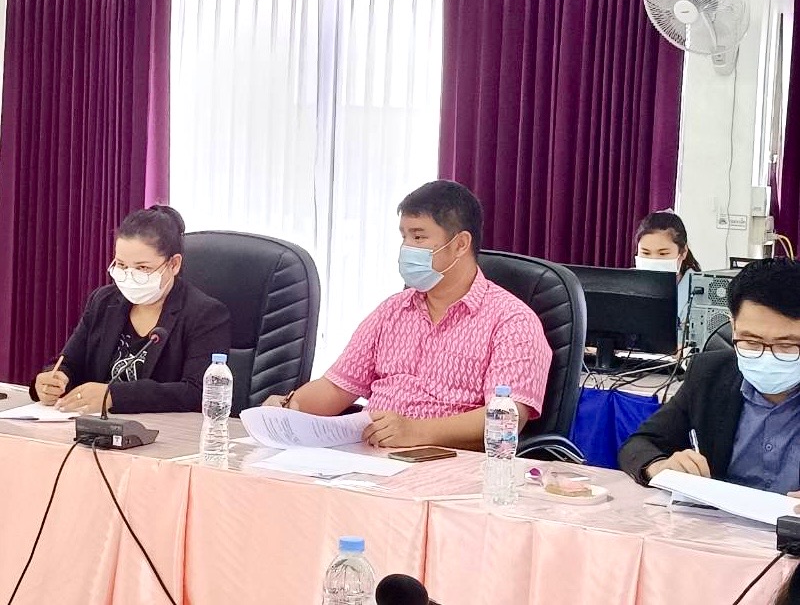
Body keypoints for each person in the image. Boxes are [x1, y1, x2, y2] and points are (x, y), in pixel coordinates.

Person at [263, 180, 552, 450]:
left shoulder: (512, 321)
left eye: (419, 236)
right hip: (371, 458)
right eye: (404, 237)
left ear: (460, 244)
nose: (407, 248)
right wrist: (289, 408)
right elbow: (337, 388)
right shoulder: (392, 311)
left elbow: (507, 416)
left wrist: (416, 431)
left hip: (448, 462)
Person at [619, 258, 800, 497]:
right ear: (733, 326)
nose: (767, 357)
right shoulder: (710, 374)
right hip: (716, 519)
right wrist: (661, 467)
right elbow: (639, 445)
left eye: (787, 345)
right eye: (751, 341)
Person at [30, 206, 231, 414]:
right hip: (95, 424)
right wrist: (53, 380)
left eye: (142, 268)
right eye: (121, 265)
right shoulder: (104, 301)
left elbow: (196, 392)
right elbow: (70, 362)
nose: (129, 276)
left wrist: (114, 396)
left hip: (165, 429)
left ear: (174, 264)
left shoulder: (206, 314)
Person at [634, 210, 701, 327]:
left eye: (663, 254)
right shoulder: (627, 285)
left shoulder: (699, 293)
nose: (653, 260)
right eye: (645, 253)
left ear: (683, 252)